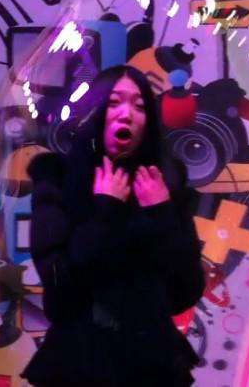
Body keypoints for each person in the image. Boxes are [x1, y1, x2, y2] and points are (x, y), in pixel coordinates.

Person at [21, 65, 205, 387]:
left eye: (139, 106)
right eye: (114, 103)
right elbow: (60, 291)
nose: (126, 115)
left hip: (153, 367)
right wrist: (105, 211)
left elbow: (184, 292)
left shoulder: (163, 185)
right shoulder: (57, 179)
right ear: (94, 112)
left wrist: (161, 213)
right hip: (76, 365)